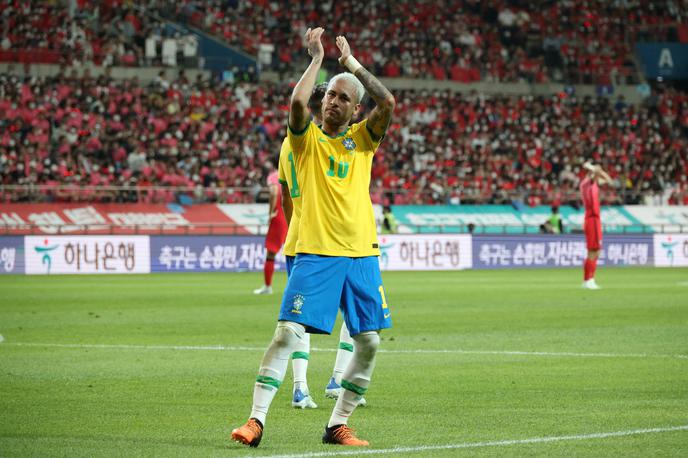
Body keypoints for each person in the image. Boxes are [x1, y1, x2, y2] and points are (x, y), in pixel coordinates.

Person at [231, 27, 395, 448]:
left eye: (343, 97)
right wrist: (317, 59)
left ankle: (337, 425)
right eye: (330, 96)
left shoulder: (363, 141)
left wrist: (352, 65)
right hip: (317, 252)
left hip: (361, 253)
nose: (333, 101)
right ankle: (255, 421)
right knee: (287, 333)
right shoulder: (304, 142)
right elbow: (297, 103)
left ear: (356, 109)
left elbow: (389, 102)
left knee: (370, 342)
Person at [278, 82, 367, 409]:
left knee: (299, 319)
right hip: (330, 239)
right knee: (350, 313)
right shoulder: (320, 144)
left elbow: (286, 195)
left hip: (300, 237)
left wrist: (295, 228)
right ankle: (335, 379)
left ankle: (302, 387)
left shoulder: (290, 144)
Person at [253, 162, 288, 295]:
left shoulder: (274, 176)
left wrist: (271, 212)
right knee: (294, 253)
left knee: (271, 253)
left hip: (279, 215)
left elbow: (274, 192)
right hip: (290, 215)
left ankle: (268, 286)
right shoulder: (290, 172)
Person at [580, 161, 612, 289]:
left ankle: (587, 280)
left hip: (592, 219)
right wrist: (594, 168)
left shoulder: (585, 184)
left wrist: (593, 168)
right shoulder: (589, 183)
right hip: (592, 219)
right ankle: (589, 280)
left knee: (594, 252)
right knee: (594, 251)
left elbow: (609, 181)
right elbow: (606, 178)